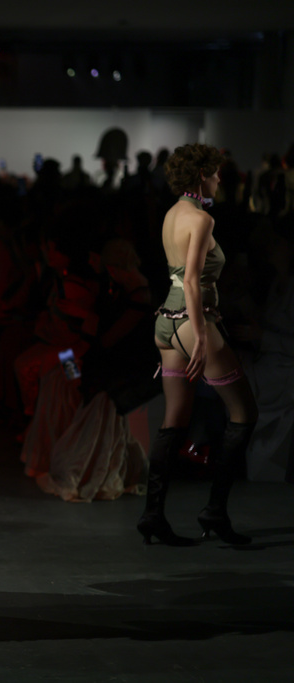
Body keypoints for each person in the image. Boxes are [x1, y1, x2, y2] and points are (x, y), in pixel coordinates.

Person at [137, 143, 258, 546]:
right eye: (215, 172)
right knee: (243, 413)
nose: (220, 178)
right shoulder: (201, 218)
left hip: (164, 323)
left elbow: (175, 277)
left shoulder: (172, 213)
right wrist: (203, 336)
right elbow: (191, 280)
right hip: (191, 320)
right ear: (200, 175)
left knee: (174, 419)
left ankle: (153, 516)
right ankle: (215, 512)